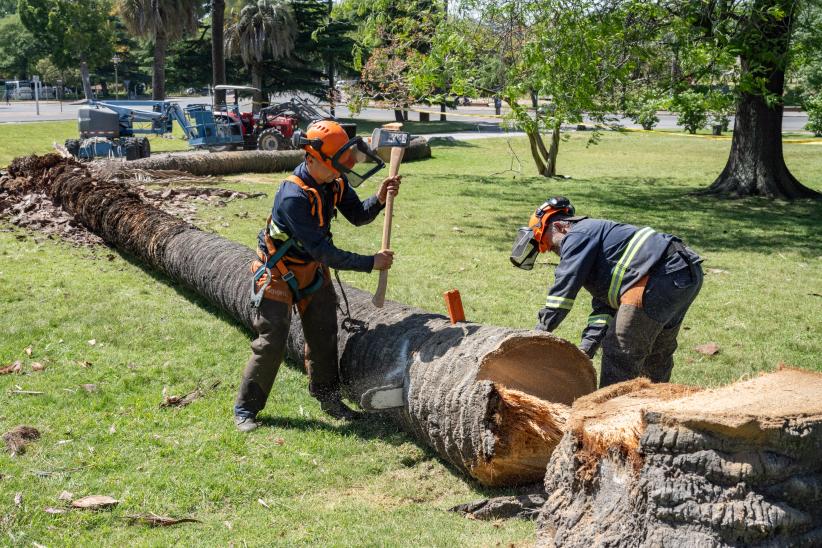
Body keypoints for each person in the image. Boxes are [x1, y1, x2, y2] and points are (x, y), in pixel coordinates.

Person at [234, 119, 400, 432]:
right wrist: (370, 263)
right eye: (336, 166)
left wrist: (378, 200)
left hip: (311, 269)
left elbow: (358, 215)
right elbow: (324, 252)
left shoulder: (333, 181)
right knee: (271, 342)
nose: (341, 172)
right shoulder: (293, 197)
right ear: (312, 159)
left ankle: (327, 396)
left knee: (324, 334)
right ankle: (246, 409)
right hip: (278, 273)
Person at [510, 196, 703, 388]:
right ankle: (655, 409)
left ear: (561, 227)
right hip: (684, 272)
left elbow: (561, 293)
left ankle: (609, 412)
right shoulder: (599, 245)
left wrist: (536, 335)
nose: (557, 253)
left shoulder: (578, 234)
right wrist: (585, 351)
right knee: (656, 354)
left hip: (660, 273)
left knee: (619, 348)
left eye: (552, 246)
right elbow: (605, 309)